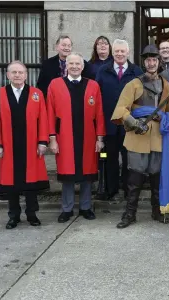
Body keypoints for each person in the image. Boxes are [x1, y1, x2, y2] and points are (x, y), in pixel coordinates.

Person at [111, 44, 169, 228]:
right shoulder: (133, 84)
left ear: (158, 62)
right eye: (148, 60)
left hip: (158, 137)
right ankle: (130, 213)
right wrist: (133, 123)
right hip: (137, 136)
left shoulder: (166, 85)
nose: (151, 63)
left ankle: (157, 210)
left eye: (154, 60)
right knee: (134, 179)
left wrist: (168, 124)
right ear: (144, 62)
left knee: (157, 178)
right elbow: (120, 109)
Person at [47, 53, 106, 223]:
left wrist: (99, 138)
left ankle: (86, 207)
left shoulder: (93, 85)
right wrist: (52, 138)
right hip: (64, 137)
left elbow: (99, 113)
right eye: (71, 63)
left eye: (77, 64)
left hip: (88, 137)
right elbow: (50, 112)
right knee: (68, 175)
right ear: (66, 66)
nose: (74, 66)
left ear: (82, 66)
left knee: (87, 174)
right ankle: (67, 209)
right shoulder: (55, 84)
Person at [0, 60, 49, 229]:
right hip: (8, 145)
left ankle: (32, 214)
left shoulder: (36, 94)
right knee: (11, 183)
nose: (17, 75)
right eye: (14, 72)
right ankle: (13, 215)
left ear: (26, 75)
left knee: (31, 182)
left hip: (31, 145)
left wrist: (43, 141)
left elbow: (43, 118)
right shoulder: (0, 94)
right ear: (7, 75)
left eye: (21, 72)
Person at [96, 39, 143, 200]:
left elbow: (141, 99)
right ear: (112, 52)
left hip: (129, 125)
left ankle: (128, 190)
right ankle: (111, 190)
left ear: (128, 53)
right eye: (117, 51)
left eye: (123, 51)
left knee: (129, 160)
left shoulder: (136, 71)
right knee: (110, 159)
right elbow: (98, 98)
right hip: (109, 125)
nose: (120, 54)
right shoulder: (103, 71)